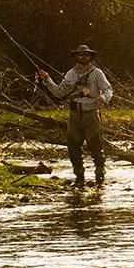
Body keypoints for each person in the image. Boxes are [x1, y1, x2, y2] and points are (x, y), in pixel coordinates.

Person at [38, 44, 113, 188]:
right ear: (76, 57)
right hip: (74, 115)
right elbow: (59, 92)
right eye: (80, 54)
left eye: (86, 54)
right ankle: (79, 178)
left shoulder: (97, 73)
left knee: (96, 146)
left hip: (91, 114)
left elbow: (108, 89)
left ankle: (99, 175)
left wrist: (104, 97)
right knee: (73, 147)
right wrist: (47, 79)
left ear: (90, 57)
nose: (83, 57)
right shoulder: (70, 74)